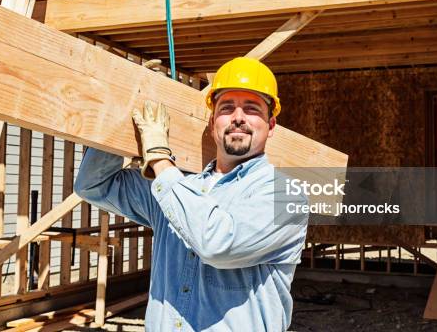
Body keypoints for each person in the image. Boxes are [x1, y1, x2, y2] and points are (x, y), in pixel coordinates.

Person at [74, 57, 307, 331]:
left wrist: (159, 158)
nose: (238, 117)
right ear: (212, 124)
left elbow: (216, 244)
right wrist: (124, 102)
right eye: (227, 107)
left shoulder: (286, 198)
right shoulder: (178, 187)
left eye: (252, 108)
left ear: (271, 126)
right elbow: (93, 185)